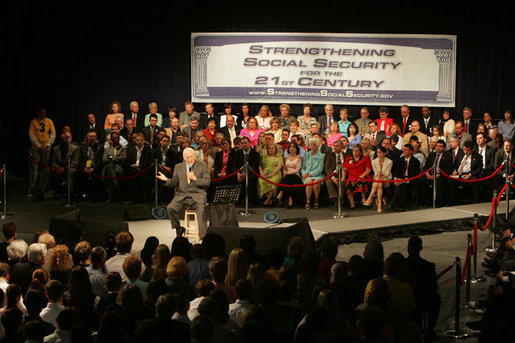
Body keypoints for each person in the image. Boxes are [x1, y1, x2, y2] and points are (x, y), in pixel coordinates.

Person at [157, 148, 211, 238]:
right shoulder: (178, 167)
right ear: (183, 158)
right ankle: (178, 228)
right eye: (187, 157)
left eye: (191, 157)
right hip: (182, 195)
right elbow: (174, 183)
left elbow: (207, 182)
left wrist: (195, 178)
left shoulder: (203, 166)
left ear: (194, 156)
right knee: (170, 208)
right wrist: (166, 179)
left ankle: (203, 237)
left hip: (197, 195)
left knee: (201, 212)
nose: (189, 159)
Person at [29, 107, 56, 193]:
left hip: (46, 148)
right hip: (36, 148)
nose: (42, 114)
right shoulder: (34, 122)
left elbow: (53, 134)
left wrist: (47, 145)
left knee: (44, 168)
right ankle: (33, 187)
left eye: (43, 112)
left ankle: (42, 186)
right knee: (35, 168)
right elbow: (31, 135)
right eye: (40, 112)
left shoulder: (49, 121)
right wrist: (39, 145)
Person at [390, 144, 421, 211]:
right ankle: (396, 204)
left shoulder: (415, 161)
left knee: (402, 185)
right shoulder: (400, 160)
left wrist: (404, 180)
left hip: (410, 180)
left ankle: (399, 205)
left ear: (410, 151)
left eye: (406, 150)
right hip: (400, 178)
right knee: (398, 184)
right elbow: (396, 171)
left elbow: (414, 174)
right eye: (403, 150)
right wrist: (396, 178)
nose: (404, 151)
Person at [342, 144, 372, 209]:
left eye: (357, 151)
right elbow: (344, 168)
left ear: (360, 151)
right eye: (354, 150)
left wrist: (363, 175)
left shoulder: (365, 158)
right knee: (349, 184)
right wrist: (343, 176)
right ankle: (352, 203)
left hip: (362, 175)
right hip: (352, 176)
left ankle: (363, 200)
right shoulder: (348, 159)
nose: (355, 152)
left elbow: (368, 169)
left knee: (362, 182)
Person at [363, 146, 393, 212]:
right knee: (379, 182)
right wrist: (379, 174)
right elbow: (376, 173)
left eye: (380, 152)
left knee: (378, 179)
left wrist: (380, 173)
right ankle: (379, 205)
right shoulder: (374, 161)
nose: (378, 154)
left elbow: (387, 173)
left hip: (386, 179)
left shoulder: (389, 162)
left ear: (384, 153)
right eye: (377, 152)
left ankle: (369, 198)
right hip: (378, 180)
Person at [301, 138, 325, 210]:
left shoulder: (322, 156)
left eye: (314, 144)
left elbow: (320, 168)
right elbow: (303, 167)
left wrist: (310, 174)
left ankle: (316, 199)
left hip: (318, 175)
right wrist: (304, 174)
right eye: (311, 144)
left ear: (317, 145)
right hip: (307, 175)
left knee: (316, 182)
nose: (312, 146)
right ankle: (308, 200)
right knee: (309, 182)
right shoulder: (307, 154)